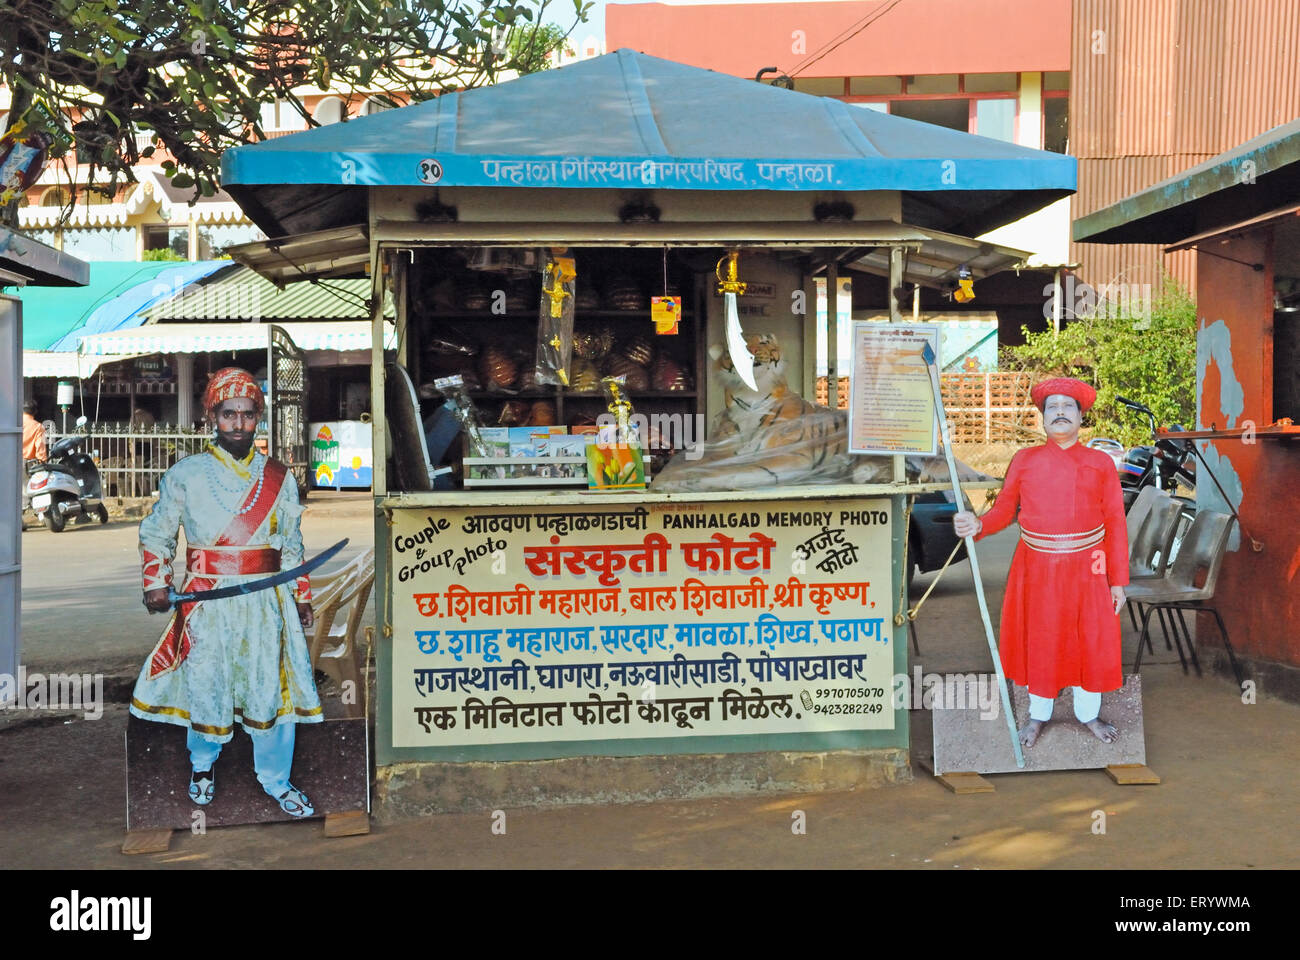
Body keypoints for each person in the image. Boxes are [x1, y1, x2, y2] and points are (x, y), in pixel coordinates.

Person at [129, 368, 322, 817]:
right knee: (207, 682)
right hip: (206, 600)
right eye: (229, 413)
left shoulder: (280, 477)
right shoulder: (186, 474)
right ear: (212, 416)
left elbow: (291, 545)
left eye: (248, 414)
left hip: (265, 601)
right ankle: (202, 764)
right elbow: (157, 533)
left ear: (259, 418)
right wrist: (156, 583)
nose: (238, 423)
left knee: (268, 686)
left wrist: (302, 595)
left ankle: (275, 779)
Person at [953, 378, 1128, 747]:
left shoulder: (1100, 463)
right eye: (1052, 408)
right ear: (1042, 419)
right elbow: (1004, 509)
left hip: (1088, 567)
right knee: (1043, 638)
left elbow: (1115, 522)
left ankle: (1088, 714)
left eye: (1068, 407)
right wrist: (978, 524)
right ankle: (1038, 715)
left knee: (1088, 640)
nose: (1060, 413)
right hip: (1036, 568)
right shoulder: (1025, 460)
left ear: (1081, 416)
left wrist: (1117, 581)